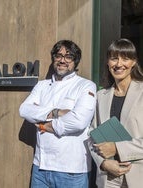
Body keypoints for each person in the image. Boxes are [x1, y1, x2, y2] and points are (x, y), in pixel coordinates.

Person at [19, 40, 97, 188]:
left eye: (69, 56)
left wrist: (44, 124)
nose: (62, 60)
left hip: (72, 171)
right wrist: (58, 112)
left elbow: (79, 121)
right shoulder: (42, 85)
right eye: (58, 55)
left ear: (75, 61)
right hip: (40, 167)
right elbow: (24, 110)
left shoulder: (85, 85)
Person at [90, 38, 143, 188]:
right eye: (114, 58)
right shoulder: (101, 96)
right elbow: (92, 136)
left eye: (125, 58)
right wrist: (104, 163)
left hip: (138, 176)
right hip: (108, 179)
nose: (119, 64)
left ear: (134, 62)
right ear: (108, 62)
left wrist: (117, 148)